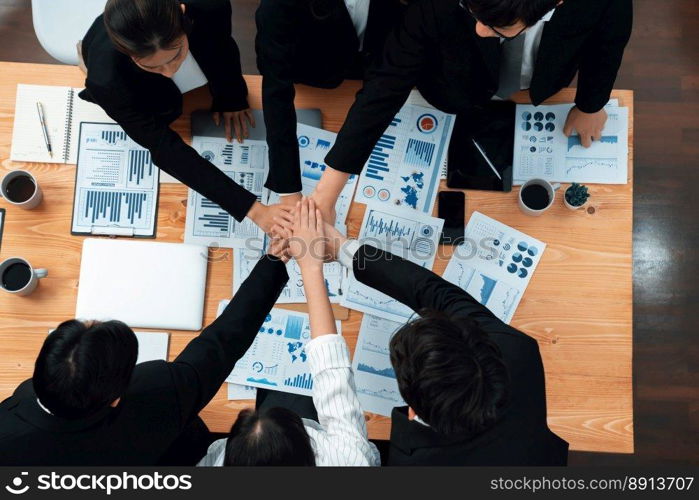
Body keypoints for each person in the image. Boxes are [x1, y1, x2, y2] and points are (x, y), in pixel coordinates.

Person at [310, 0, 633, 220]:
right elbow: (385, 85)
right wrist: (327, 191)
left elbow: (608, 41)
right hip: (451, 88)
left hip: (545, 80)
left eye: (496, 25)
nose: (480, 29)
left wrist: (591, 104)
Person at [298, 221, 570, 465]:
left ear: (412, 405)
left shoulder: (414, 463)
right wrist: (347, 250)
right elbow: (439, 295)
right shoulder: (517, 350)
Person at [0, 242, 291, 465]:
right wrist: (273, 262)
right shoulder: (156, 392)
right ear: (115, 399)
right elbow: (222, 344)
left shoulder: (8, 426)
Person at [79, 0, 291, 233]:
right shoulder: (105, 78)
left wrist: (232, 97)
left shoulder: (209, 6)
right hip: (116, 68)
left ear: (182, 13)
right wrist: (253, 209)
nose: (170, 72)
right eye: (154, 67)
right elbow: (163, 147)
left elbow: (220, 43)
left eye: (175, 55)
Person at [199, 199, 381, 466]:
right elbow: (332, 371)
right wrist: (310, 265)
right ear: (310, 449)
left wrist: (274, 263)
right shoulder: (349, 459)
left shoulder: (216, 461)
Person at [255, 0, 405, 206]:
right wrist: (288, 191)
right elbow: (276, 87)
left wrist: (327, 195)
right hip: (313, 67)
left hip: (377, 63)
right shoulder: (277, 6)